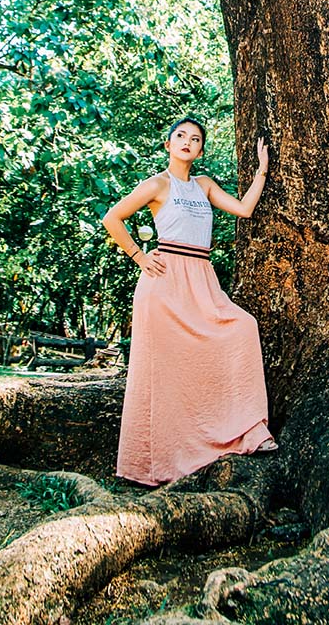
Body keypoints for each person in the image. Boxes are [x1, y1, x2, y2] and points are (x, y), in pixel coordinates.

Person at [102, 116, 277, 485]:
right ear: (168, 144)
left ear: (200, 151)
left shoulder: (204, 185)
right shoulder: (157, 184)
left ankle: (247, 430)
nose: (187, 142)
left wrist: (262, 170)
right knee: (166, 373)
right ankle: (159, 462)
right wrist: (138, 256)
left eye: (195, 139)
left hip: (202, 279)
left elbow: (244, 209)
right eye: (180, 136)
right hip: (164, 283)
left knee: (242, 328)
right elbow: (112, 218)